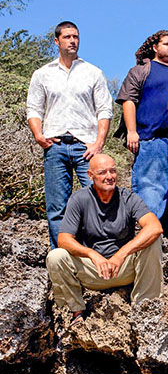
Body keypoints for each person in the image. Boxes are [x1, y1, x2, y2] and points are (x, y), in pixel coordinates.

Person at [26, 21, 113, 247]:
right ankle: (62, 258)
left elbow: (105, 110)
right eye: (67, 37)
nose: (72, 41)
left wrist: (98, 144)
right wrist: (38, 135)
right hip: (54, 146)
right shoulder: (42, 74)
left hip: (86, 146)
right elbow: (34, 109)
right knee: (57, 207)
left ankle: (97, 256)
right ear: (56, 41)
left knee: (98, 200)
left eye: (76, 36)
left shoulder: (93, 72)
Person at [46, 154, 163, 320]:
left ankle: (145, 308)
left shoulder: (128, 198)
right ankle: (75, 311)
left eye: (113, 171)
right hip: (93, 271)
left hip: (123, 268)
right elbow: (64, 239)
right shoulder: (79, 199)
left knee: (153, 240)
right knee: (56, 256)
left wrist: (120, 255)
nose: (109, 176)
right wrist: (93, 255)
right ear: (90, 176)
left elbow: (155, 227)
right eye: (102, 172)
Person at [115, 30, 168, 233]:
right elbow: (128, 100)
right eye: (166, 43)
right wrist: (131, 131)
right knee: (150, 189)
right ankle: (147, 231)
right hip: (150, 139)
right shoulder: (141, 70)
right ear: (155, 47)